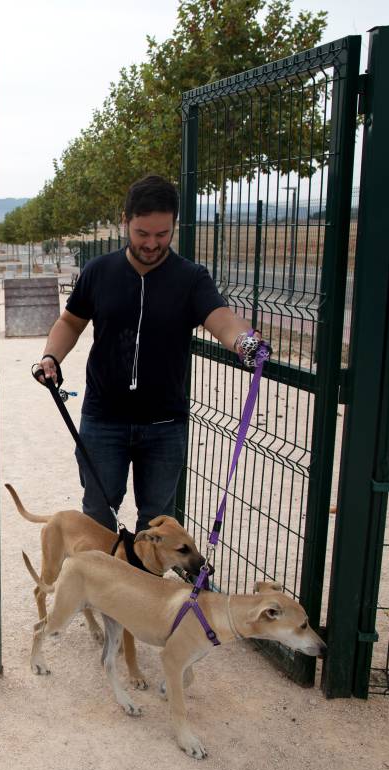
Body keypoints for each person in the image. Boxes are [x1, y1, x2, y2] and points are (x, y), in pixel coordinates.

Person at [36, 175, 268, 533]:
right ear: (124, 220)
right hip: (103, 418)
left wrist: (244, 342)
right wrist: (51, 357)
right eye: (142, 233)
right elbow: (70, 322)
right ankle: (99, 590)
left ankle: (145, 589)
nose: (152, 244)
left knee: (157, 526)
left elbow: (221, 319)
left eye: (162, 234)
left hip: (164, 424)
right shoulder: (99, 271)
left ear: (174, 224)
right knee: (97, 517)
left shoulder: (191, 278)